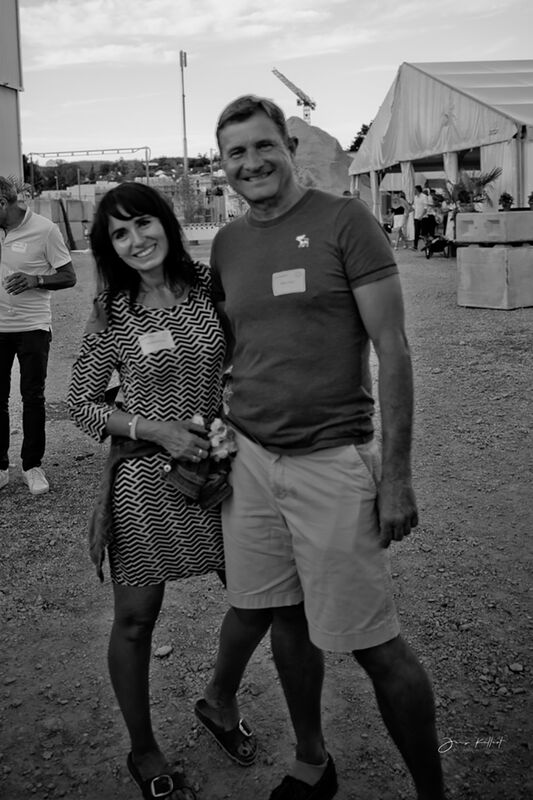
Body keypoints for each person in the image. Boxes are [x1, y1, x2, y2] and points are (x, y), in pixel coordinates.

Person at [205, 95, 446, 800]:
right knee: (285, 616)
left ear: (289, 147)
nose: (251, 162)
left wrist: (395, 476)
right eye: (235, 152)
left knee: (376, 645)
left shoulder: (346, 221)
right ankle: (311, 761)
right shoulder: (227, 244)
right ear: (223, 166)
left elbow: (393, 349)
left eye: (263, 146)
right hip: (250, 464)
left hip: (330, 461)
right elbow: (235, 350)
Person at [67, 182, 258, 800]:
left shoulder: (209, 285)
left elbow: (252, 353)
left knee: (260, 597)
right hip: (145, 483)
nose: (136, 240)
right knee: (135, 620)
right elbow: (81, 403)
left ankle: (219, 700)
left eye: (143, 223)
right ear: (110, 247)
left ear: (167, 225)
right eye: (119, 234)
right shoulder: (112, 310)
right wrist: (156, 429)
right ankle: (143, 748)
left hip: (221, 467)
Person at [0, 176, 77, 495]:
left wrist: (36, 280)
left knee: (33, 397)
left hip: (32, 327)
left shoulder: (45, 230)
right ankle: (0, 467)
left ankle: (32, 466)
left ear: (2, 203)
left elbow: (69, 276)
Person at [412, 184, 428, 251]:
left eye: (415, 190)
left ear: (417, 190)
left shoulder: (424, 197)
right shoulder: (415, 197)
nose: (414, 191)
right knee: (416, 233)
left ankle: (427, 246)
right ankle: (415, 246)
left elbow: (425, 208)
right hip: (416, 217)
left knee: (424, 233)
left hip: (423, 217)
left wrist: (421, 216)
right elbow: (414, 207)